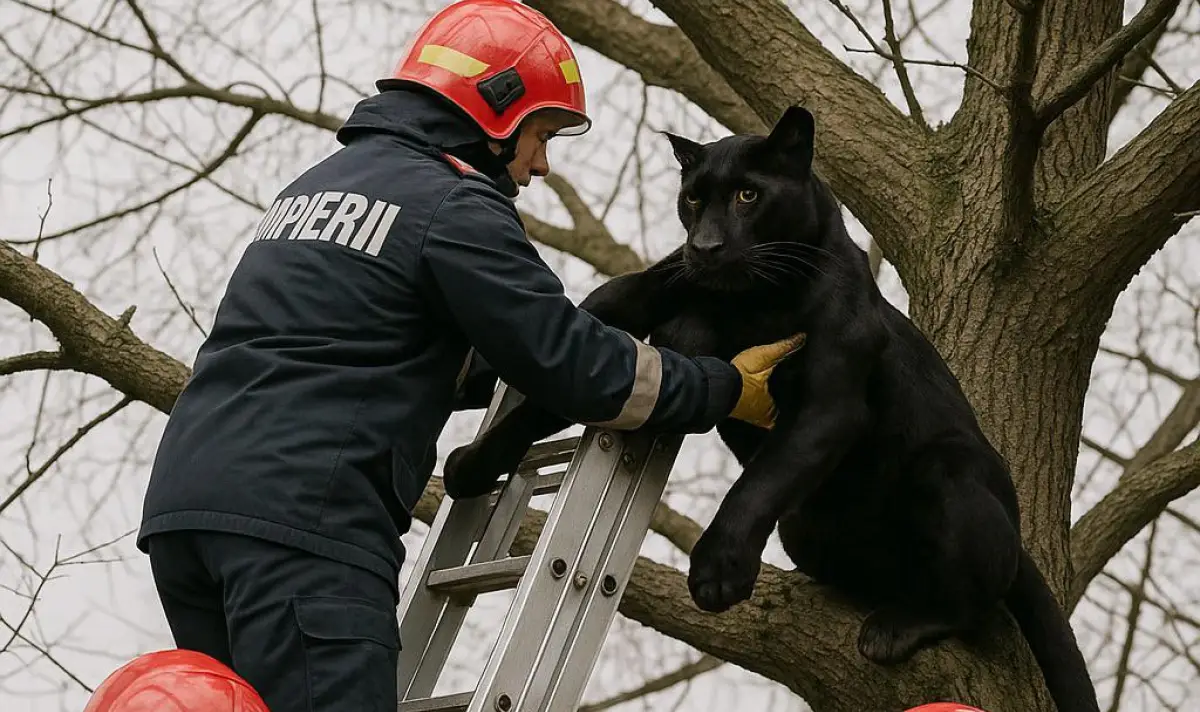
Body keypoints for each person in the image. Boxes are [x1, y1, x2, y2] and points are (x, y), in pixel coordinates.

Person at [134, 1, 804, 711]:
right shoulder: (451, 204)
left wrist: (509, 359)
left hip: (187, 516)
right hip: (307, 523)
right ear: (496, 110)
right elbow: (580, 369)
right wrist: (721, 386)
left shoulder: (316, 187)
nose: (541, 165)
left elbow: (372, 342)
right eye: (542, 135)